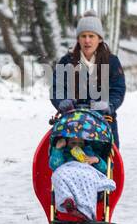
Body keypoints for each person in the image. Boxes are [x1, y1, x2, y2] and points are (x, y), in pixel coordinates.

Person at [49, 14, 126, 147]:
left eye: (91, 36)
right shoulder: (66, 61)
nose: (87, 41)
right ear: (78, 39)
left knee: (104, 159)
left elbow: (117, 89)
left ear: (100, 39)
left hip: (104, 121)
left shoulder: (111, 62)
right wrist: (62, 102)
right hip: (72, 122)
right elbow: (57, 87)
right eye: (83, 36)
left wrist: (109, 105)